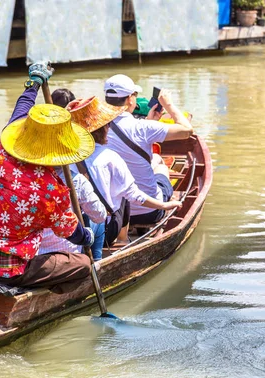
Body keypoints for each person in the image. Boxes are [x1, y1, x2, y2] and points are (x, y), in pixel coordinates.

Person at [0, 62, 95, 294]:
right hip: (10, 269)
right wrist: (87, 236)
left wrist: (33, 83)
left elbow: (21, 109)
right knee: (82, 264)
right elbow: (69, 230)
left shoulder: (4, 151)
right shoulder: (52, 190)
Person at [67, 97, 182, 259]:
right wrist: (165, 205)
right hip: (106, 231)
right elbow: (134, 195)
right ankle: (123, 239)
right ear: (105, 128)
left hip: (74, 232)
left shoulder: (66, 158)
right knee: (123, 193)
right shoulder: (110, 157)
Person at [103, 74, 193, 226]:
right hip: (148, 213)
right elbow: (187, 130)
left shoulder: (97, 129)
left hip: (113, 214)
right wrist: (169, 104)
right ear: (131, 99)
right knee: (162, 168)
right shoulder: (143, 128)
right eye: (135, 96)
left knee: (153, 162)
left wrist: (150, 122)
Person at [38, 167, 106, 256]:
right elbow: (99, 216)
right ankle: (96, 260)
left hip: (35, 252)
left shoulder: (24, 180)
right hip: (69, 253)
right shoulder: (77, 180)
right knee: (98, 223)